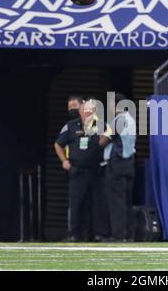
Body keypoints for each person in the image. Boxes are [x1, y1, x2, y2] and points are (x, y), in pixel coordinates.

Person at [54, 100, 111, 242]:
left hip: (96, 170)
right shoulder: (71, 126)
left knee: (98, 203)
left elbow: (108, 137)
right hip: (77, 170)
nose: (88, 112)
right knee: (76, 204)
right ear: (80, 111)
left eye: (92, 110)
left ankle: (99, 234)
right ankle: (74, 234)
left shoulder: (101, 125)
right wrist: (64, 161)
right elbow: (58, 144)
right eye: (86, 110)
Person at [103, 93, 136, 242]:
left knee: (116, 202)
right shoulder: (131, 119)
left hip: (117, 164)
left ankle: (118, 235)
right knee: (127, 201)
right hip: (129, 163)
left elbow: (102, 141)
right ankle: (129, 235)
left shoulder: (118, 120)